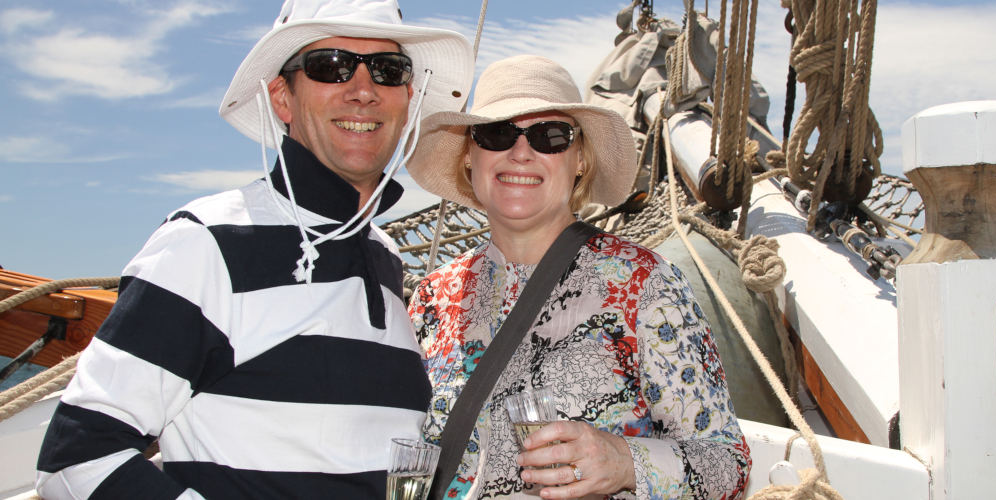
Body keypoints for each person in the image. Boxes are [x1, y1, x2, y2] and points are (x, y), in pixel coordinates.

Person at [34, 1, 473, 498]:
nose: (364, 90)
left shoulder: (384, 257)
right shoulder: (208, 241)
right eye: (330, 66)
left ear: (408, 98)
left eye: (388, 70)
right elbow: (76, 459)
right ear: (282, 99)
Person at [407, 55, 750, 500]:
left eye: (550, 136)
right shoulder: (433, 297)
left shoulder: (643, 284)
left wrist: (625, 461)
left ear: (581, 159)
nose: (520, 152)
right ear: (470, 155)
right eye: (497, 134)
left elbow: (730, 466)